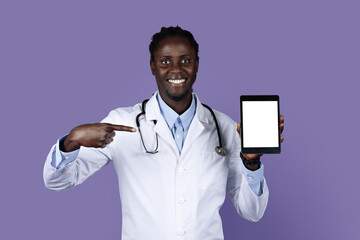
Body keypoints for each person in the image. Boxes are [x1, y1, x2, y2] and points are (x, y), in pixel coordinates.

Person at [43, 26, 284, 239]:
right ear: (152, 66)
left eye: (185, 60)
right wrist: (71, 141)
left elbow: (252, 212)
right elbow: (57, 182)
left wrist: (251, 164)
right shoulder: (121, 123)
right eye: (165, 61)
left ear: (197, 64)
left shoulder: (226, 129)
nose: (176, 69)